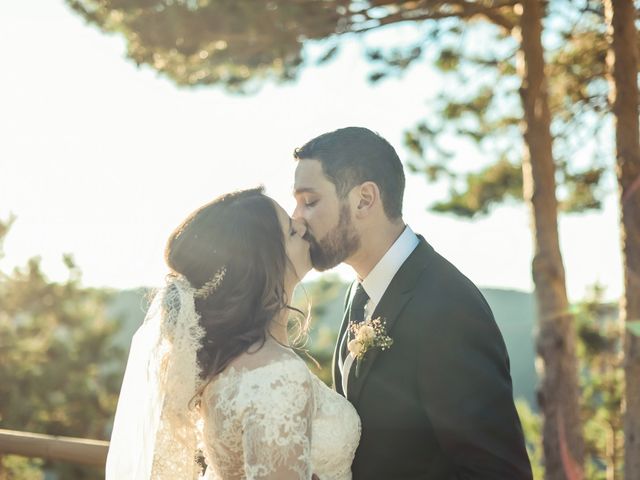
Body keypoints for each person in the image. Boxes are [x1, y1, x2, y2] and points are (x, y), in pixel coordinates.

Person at [292, 127, 533, 479]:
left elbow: (497, 471)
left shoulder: (448, 307)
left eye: (310, 201)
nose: (297, 217)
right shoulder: (357, 292)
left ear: (364, 199)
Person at [106, 187, 360, 480]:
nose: (302, 225)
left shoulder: (225, 368)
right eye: (291, 230)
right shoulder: (278, 375)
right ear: (264, 264)